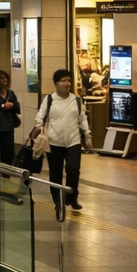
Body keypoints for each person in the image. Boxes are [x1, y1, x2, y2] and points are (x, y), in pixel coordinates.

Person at [35, 68, 90, 211]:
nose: (67, 83)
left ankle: (72, 197)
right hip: (54, 143)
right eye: (63, 80)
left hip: (73, 141)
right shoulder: (49, 99)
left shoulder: (76, 100)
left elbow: (82, 118)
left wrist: (87, 133)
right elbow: (40, 118)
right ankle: (58, 200)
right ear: (56, 83)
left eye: (69, 80)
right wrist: (40, 128)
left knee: (73, 170)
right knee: (55, 173)